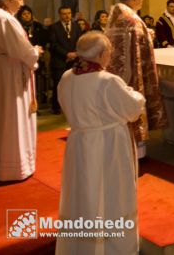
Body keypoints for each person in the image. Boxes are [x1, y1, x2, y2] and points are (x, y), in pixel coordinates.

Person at [56, 32, 145, 254]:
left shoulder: (67, 76)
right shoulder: (107, 81)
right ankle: (113, 247)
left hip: (78, 142)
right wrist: (134, 93)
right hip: (108, 144)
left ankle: (80, 244)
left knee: (82, 192)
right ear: (103, 54)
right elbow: (133, 108)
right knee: (111, 192)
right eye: (109, 52)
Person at [106, 0, 168, 158]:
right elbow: (136, 40)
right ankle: (137, 151)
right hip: (131, 73)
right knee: (133, 106)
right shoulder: (131, 18)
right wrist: (148, 35)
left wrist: (145, 32)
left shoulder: (118, 13)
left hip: (117, 73)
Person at [0, 0, 42, 181]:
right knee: (12, 117)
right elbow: (22, 51)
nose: (22, 3)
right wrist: (35, 52)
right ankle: (13, 167)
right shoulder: (5, 19)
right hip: (9, 72)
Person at [48, 6, 84, 114]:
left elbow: (80, 41)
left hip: (74, 60)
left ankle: (73, 106)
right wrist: (67, 54)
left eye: (69, 13)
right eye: (64, 13)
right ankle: (56, 107)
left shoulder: (76, 26)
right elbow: (53, 45)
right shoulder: (54, 27)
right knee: (59, 85)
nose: (67, 15)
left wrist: (76, 53)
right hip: (59, 60)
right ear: (59, 15)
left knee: (74, 84)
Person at [17, 5, 48, 103]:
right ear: (20, 16)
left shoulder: (38, 26)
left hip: (37, 57)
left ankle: (35, 102)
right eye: (24, 14)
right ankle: (25, 102)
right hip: (22, 58)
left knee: (36, 83)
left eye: (28, 13)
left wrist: (39, 50)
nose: (26, 16)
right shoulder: (18, 26)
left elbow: (44, 39)